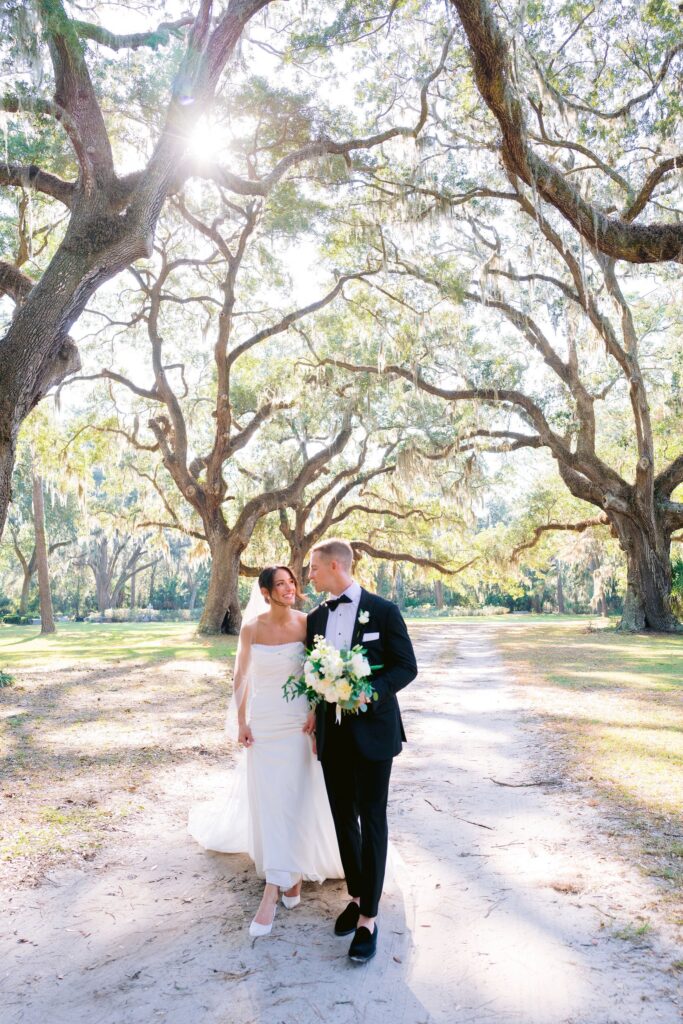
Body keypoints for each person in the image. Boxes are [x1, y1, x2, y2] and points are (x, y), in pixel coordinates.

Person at [188, 566, 342, 937]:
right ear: (265, 591)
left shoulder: (307, 623)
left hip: (298, 725)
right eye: (281, 585)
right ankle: (286, 878)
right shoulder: (252, 627)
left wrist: (313, 714)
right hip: (265, 724)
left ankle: (275, 888)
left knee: (296, 798)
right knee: (272, 802)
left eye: (292, 583)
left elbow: (318, 672)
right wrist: (242, 721)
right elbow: (241, 676)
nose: (290, 589)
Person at [305, 538, 417, 963]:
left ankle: (369, 917)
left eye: (313, 568)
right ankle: (355, 895)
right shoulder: (316, 618)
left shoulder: (383, 610)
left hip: (373, 732)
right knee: (342, 818)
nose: (309, 576)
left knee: (371, 818)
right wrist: (316, 716)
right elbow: (314, 676)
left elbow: (407, 666)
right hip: (333, 738)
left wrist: (371, 691)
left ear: (335, 566)